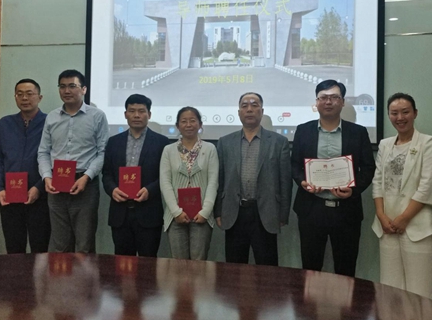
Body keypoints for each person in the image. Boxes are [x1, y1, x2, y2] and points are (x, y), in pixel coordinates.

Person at [291, 79, 374, 276]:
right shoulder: (303, 130)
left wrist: (353, 190)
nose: (328, 102)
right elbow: (294, 165)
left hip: (346, 211)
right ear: (316, 102)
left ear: (342, 102)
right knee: (310, 268)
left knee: (346, 269)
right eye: (323, 98)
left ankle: (345, 299)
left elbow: (368, 168)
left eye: (334, 97)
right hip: (311, 209)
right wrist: (302, 182)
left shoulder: (358, 132)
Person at [371, 93, 432, 298]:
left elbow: (428, 185)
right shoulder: (385, 144)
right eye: (394, 113)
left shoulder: (428, 143)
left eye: (405, 112)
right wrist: (381, 215)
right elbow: (377, 182)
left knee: (419, 290)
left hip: (417, 226)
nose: (400, 117)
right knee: (389, 288)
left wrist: (404, 218)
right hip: (387, 225)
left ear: (415, 113)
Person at [214, 92, 291, 266]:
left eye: (254, 105)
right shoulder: (225, 142)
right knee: (234, 267)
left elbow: (285, 182)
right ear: (239, 112)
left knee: (267, 268)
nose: (249, 109)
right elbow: (220, 179)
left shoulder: (279, 142)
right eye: (244, 106)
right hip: (234, 212)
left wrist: (283, 214)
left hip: (266, 212)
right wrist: (218, 211)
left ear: (262, 111)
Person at [37, 69, 108, 253]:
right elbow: (43, 152)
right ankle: (59, 275)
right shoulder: (52, 117)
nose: (66, 91)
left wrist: (86, 177)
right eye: (62, 86)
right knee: (59, 244)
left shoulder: (97, 116)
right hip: (56, 184)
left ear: (83, 89)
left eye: (72, 86)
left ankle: (84, 275)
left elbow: (102, 153)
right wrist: (47, 177)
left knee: (84, 244)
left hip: (85, 184)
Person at [102, 94, 169, 256]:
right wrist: (112, 190)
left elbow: (166, 176)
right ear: (125, 114)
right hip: (120, 213)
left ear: (149, 114)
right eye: (132, 111)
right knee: (122, 264)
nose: (136, 115)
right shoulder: (113, 142)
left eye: (141, 111)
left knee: (148, 263)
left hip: (149, 212)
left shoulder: (162, 142)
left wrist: (150, 190)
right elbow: (107, 174)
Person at [0, 78, 50, 254]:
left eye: (29, 94)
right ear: (15, 97)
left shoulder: (50, 122)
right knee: (14, 249)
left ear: (40, 97)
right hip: (10, 196)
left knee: (40, 249)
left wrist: (39, 188)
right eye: (20, 94)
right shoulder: (5, 123)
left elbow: (54, 158)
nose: (24, 98)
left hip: (40, 196)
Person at [159, 107, 219, 260]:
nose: (188, 125)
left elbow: (213, 182)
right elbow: (165, 183)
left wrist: (205, 211)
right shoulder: (168, 150)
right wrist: (176, 211)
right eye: (184, 121)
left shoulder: (210, 149)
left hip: (202, 215)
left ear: (200, 124)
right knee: (179, 265)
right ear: (177, 126)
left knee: (199, 264)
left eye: (193, 121)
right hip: (175, 216)